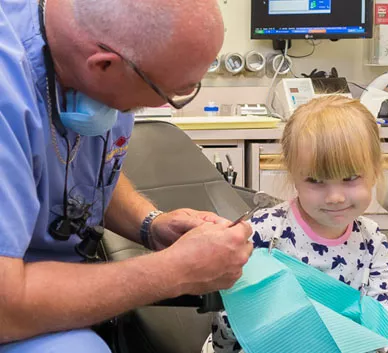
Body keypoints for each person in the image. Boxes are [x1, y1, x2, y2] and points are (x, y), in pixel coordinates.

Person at [0, 0, 253, 351]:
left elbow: (88, 167)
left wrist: (150, 225)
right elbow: (5, 308)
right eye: (173, 94)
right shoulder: (8, 93)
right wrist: (174, 272)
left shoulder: (101, 71)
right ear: (103, 65)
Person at [204, 96, 388, 353]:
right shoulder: (264, 233)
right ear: (294, 174)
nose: (335, 197)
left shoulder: (371, 238)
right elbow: (233, 319)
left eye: (350, 179)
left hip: (363, 334)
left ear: (374, 171)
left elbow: (383, 308)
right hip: (283, 339)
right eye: (316, 181)